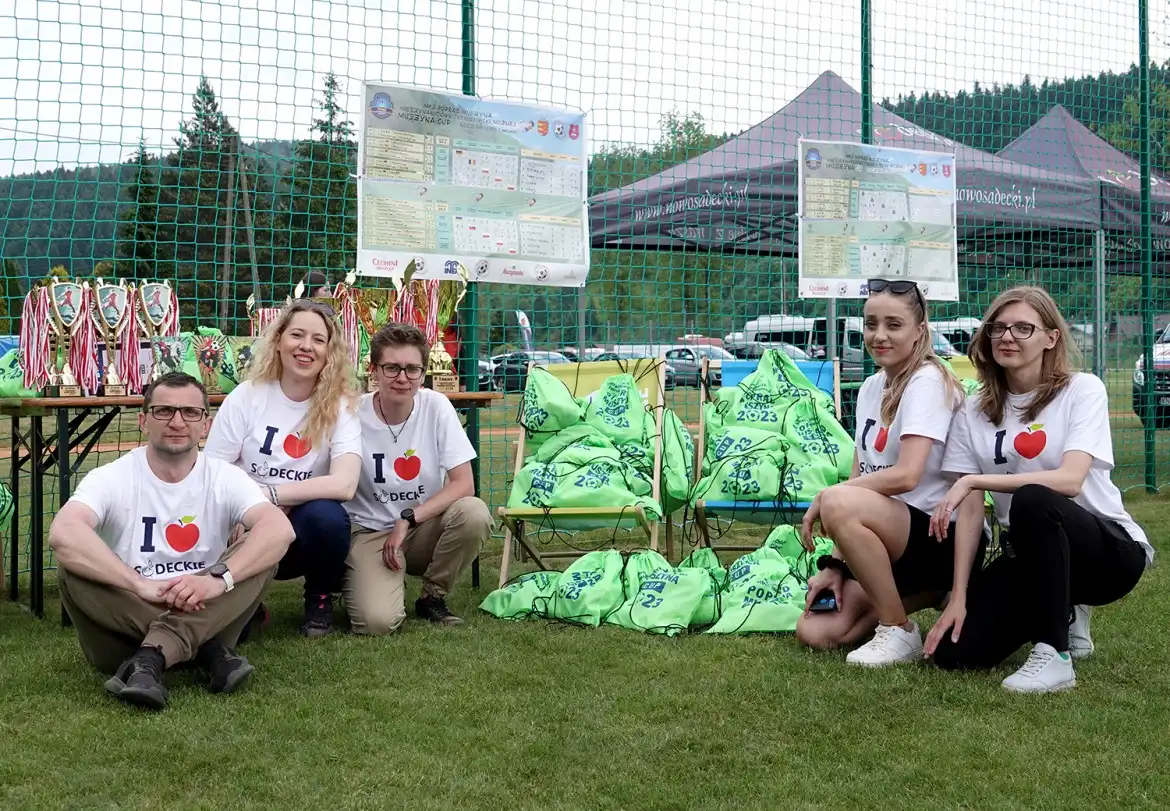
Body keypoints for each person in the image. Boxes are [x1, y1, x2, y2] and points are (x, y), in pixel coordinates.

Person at [925, 286, 1152, 693]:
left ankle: (1055, 655)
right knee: (953, 654)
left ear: (1051, 338)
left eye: (1023, 328)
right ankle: (1061, 606)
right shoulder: (973, 411)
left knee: (1034, 498)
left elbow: (1070, 481)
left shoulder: (1082, 389)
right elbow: (972, 514)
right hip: (1033, 553)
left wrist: (975, 479)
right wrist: (958, 596)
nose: (1007, 336)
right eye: (998, 327)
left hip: (1108, 553)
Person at [48, 373, 294, 710]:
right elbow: (64, 532)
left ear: (205, 425)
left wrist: (216, 580)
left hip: (203, 600)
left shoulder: (224, 477)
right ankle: (208, 652)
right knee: (72, 565)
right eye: (164, 411)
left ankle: (148, 660)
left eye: (190, 413)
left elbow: (279, 530)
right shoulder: (111, 477)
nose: (177, 421)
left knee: (263, 551)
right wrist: (138, 585)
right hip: (132, 624)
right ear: (143, 420)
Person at [796, 278, 965, 666]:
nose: (879, 335)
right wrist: (836, 567)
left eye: (894, 324)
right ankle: (924, 597)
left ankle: (898, 628)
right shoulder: (872, 386)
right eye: (871, 324)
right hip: (890, 543)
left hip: (938, 538)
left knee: (840, 498)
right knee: (816, 632)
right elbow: (861, 478)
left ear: (920, 330)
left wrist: (828, 497)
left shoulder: (927, 381)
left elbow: (906, 476)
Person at [204, 298, 362, 637]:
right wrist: (245, 511)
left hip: (303, 527)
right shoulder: (247, 397)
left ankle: (319, 597)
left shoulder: (340, 405)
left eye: (318, 340)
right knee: (237, 633)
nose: (306, 347)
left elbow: (345, 484)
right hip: (247, 525)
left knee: (328, 517)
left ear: (329, 352)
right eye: (297, 335)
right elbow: (212, 473)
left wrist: (273, 496)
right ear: (278, 341)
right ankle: (248, 598)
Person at [343, 322, 492, 632]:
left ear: (423, 373)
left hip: (421, 527)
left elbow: (464, 483)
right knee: (377, 623)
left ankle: (432, 597)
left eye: (412, 369)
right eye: (392, 368)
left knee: (474, 512)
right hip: (370, 530)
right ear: (374, 370)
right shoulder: (351, 414)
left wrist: (408, 519)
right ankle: (361, 582)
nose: (402, 378)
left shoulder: (436, 406)